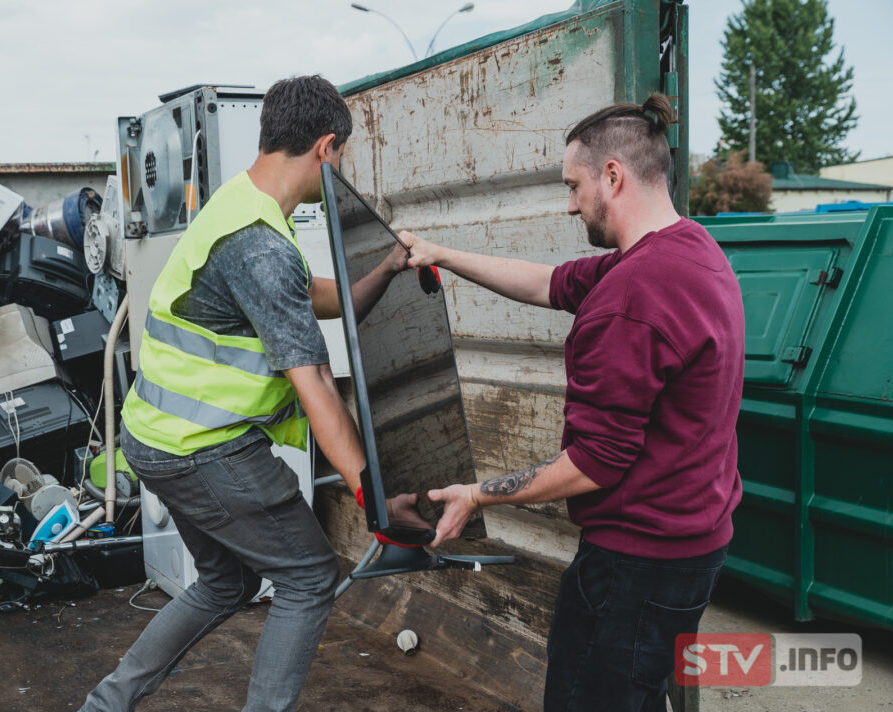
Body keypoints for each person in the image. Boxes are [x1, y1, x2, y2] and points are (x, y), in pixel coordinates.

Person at [79, 75, 413, 712]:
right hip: (201, 449)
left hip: (155, 436)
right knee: (309, 577)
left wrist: (389, 268)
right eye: (341, 155)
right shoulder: (261, 246)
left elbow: (325, 299)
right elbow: (315, 384)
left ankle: (106, 705)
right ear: (326, 147)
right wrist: (373, 495)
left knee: (224, 583)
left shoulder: (242, 204)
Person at [401, 93, 744, 711]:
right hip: (690, 547)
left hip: (635, 566)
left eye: (572, 186)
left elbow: (594, 463)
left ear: (612, 176)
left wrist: (477, 495)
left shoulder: (632, 297)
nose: (569, 203)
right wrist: (441, 253)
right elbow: (545, 283)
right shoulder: (688, 251)